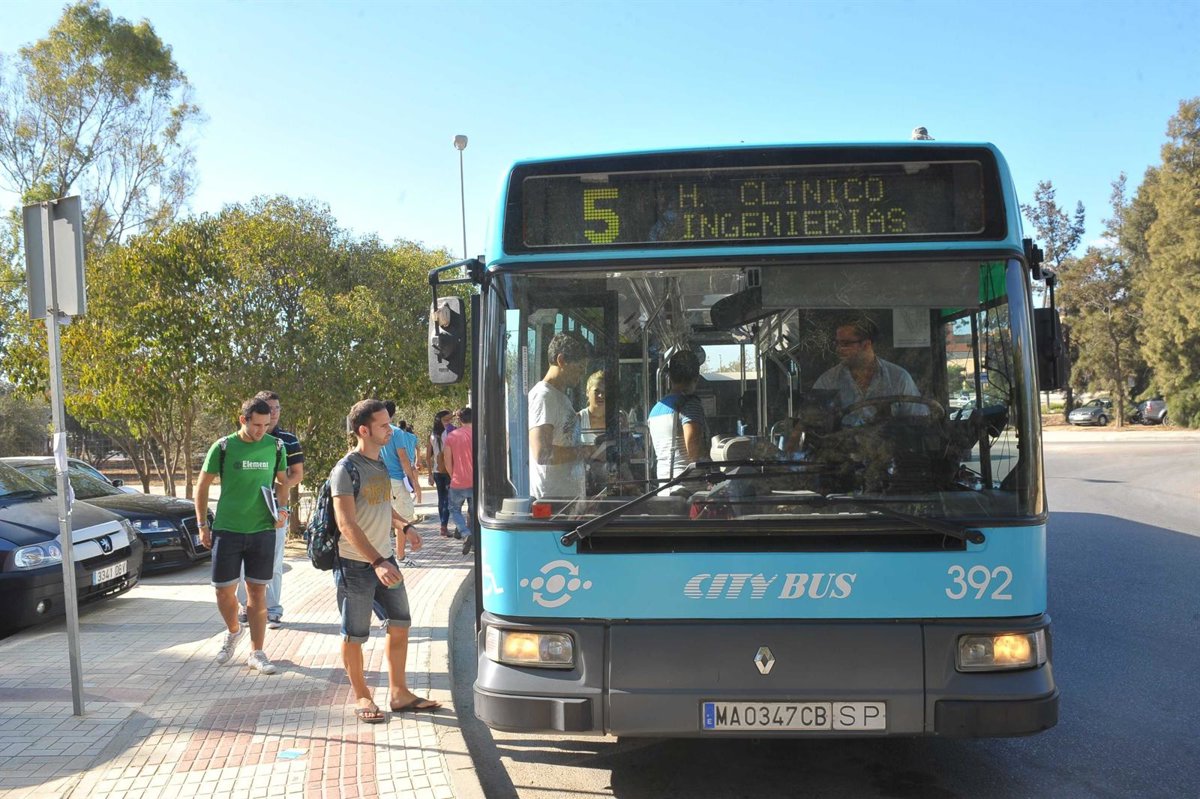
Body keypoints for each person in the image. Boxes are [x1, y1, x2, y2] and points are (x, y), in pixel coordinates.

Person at [332, 399, 440, 723]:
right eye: (382, 425)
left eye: (389, 423)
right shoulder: (345, 470)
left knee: (400, 624)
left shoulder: (379, 463)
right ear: (363, 431)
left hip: (385, 560)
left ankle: (399, 693)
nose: (389, 429)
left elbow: (380, 505)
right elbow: (346, 523)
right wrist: (377, 561)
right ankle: (362, 695)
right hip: (356, 565)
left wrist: (404, 525)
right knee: (354, 634)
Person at [196, 397, 289, 675]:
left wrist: (283, 509)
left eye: (266, 425)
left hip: (262, 529)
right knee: (223, 591)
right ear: (243, 420)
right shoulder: (223, 447)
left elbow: (283, 481)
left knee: (257, 592)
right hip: (228, 529)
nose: (262, 430)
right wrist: (202, 525)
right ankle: (234, 630)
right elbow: (202, 486)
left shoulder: (276, 446)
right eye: (256, 425)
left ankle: (257, 652)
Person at [235, 390, 303, 630]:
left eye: (277, 409)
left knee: (273, 563)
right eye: (268, 408)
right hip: (245, 512)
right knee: (243, 563)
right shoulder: (240, 440)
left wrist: (278, 487)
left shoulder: (287, 441)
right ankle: (247, 607)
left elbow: (297, 474)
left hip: (275, 511)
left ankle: (272, 610)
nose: (273, 413)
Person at [812, 317, 926, 424]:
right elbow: (815, 424)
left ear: (866, 344)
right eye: (837, 343)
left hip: (888, 438)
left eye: (845, 344)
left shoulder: (899, 378)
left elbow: (918, 423)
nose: (838, 349)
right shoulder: (828, 381)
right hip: (842, 439)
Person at [528, 332, 593, 498]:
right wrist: (584, 451)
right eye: (580, 367)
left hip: (565, 498)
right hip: (552, 501)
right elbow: (542, 453)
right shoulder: (543, 397)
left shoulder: (560, 397)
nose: (583, 373)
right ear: (561, 360)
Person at [648, 349, 709, 482]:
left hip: (664, 485)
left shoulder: (655, 410)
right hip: (688, 487)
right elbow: (694, 452)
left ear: (669, 376)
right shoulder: (689, 404)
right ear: (697, 377)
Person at [381, 401, 423, 566]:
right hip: (396, 480)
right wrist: (412, 481)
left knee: (382, 519)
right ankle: (400, 557)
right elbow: (404, 458)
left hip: (379, 479)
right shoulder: (396, 432)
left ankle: (384, 555)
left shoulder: (374, 432)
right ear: (393, 413)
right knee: (402, 519)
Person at [442, 406, 475, 555]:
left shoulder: (452, 436)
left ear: (460, 419)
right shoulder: (480, 434)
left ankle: (465, 533)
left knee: (454, 509)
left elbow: (447, 461)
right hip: (476, 482)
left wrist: (453, 475)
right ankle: (474, 543)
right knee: (474, 512)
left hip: (458, 481)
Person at [426, 410, 454, 537]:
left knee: (441, 498)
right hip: (448, 470)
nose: (449, 422)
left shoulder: (432, 435)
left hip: (437, 471)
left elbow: (428, 457)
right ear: (440, 420)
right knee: (447, 499)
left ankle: (443, 525)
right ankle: (444, 526)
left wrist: (430, 474)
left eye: (450, 420)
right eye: (446, 420)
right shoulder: (449, 433)